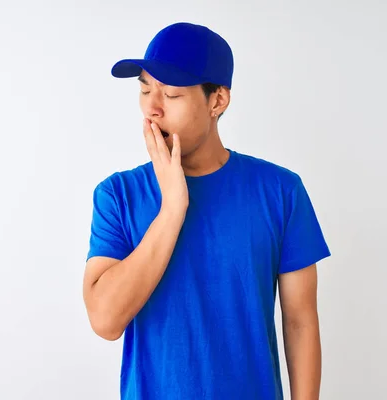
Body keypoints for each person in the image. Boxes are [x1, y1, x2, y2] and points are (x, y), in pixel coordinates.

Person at [83, 22, 331, 400]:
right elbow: (104, 320)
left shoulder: (281, 191)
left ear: (217, 101)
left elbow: (299, 323)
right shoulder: (118, 195)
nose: (152, 108)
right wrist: (172, 209)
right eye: (145, 89)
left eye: (171, 94)